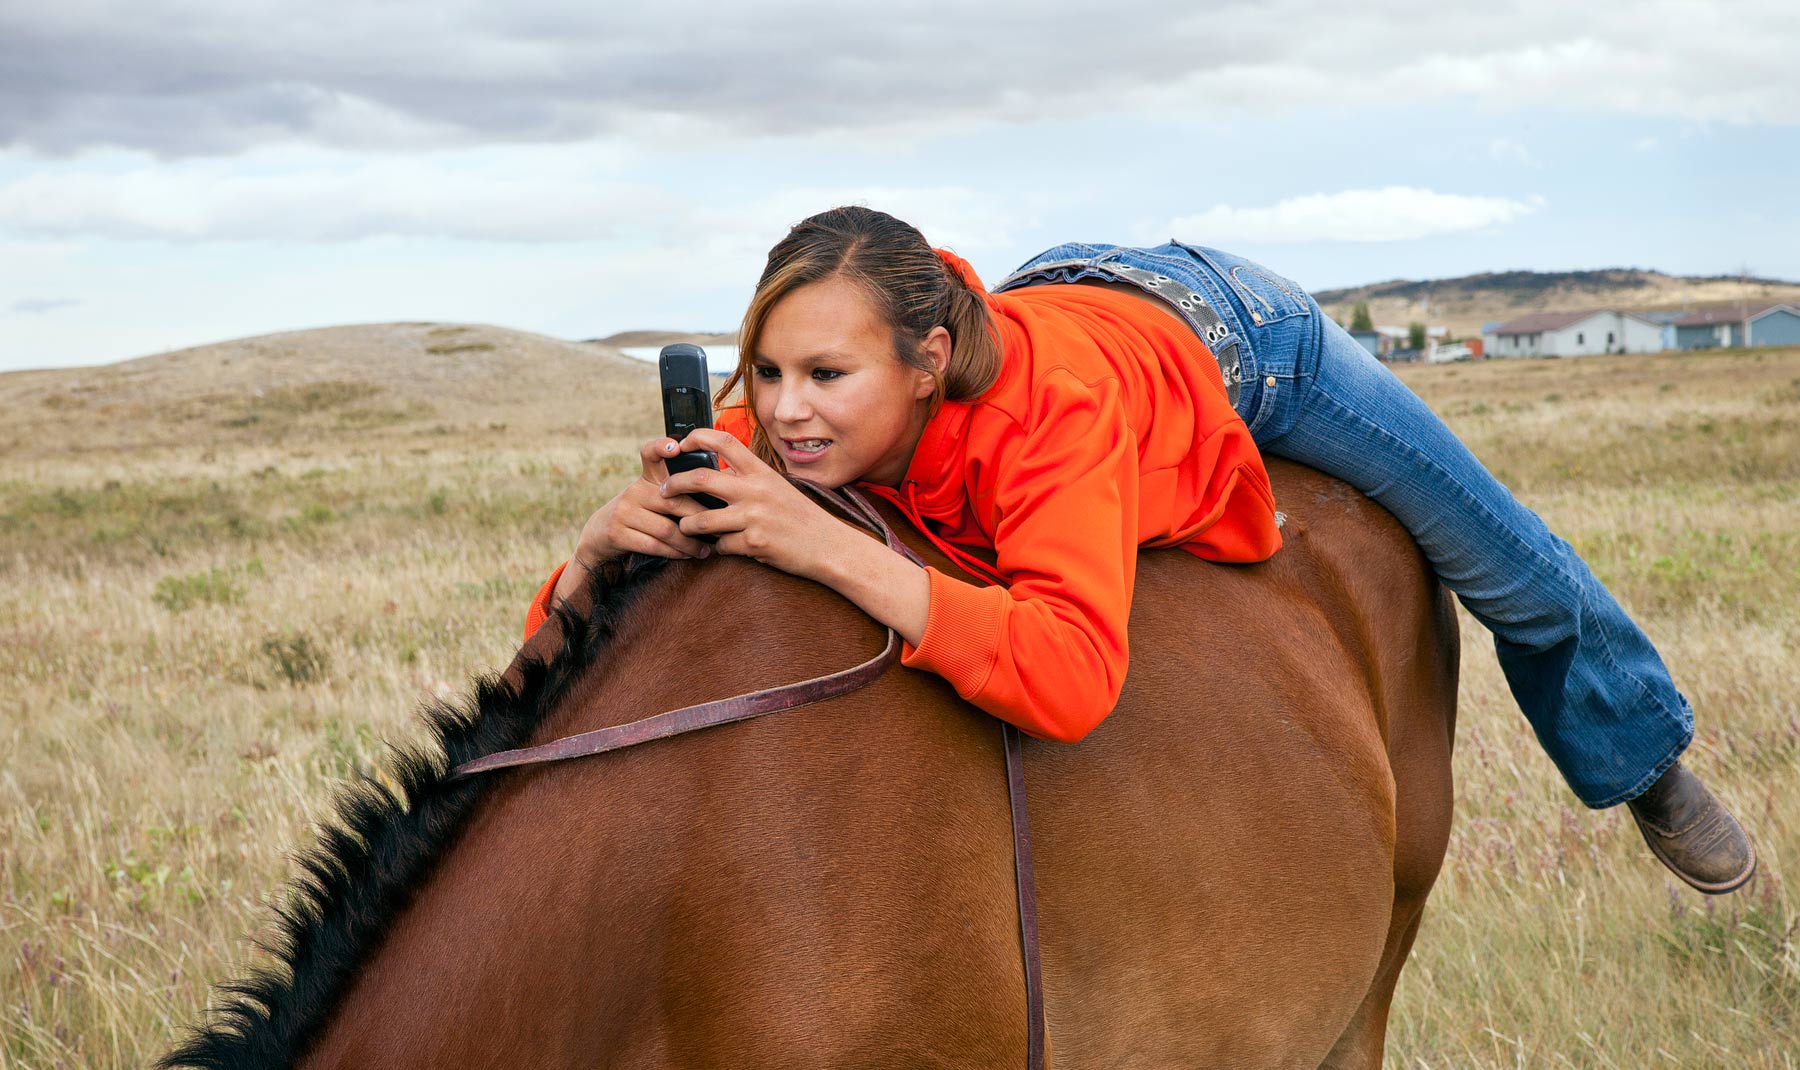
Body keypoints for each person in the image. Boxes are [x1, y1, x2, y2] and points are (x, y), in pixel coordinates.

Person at [523, 206, 1755, 895]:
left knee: (1494, 548)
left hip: (1235, 334)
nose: (787, 412)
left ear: (926, 363)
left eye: (825, 376)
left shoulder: (1043, 421)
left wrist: (833, 553)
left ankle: (1639, 752)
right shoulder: (784, 425)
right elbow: (564, 680)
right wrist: (590, 559)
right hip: (1057, 290)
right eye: (771, 373)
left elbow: (1070, 676)